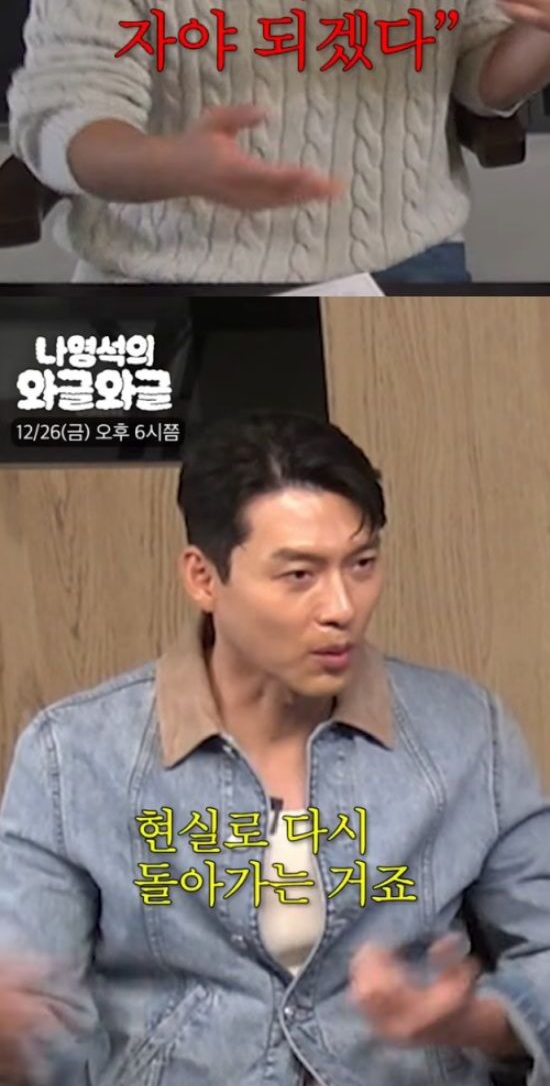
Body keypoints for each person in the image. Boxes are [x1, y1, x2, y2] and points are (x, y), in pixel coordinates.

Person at [0, 408, 549, 1086]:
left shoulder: (467, 732)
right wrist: (17, 1038)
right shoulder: (71, 756)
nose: (341, 606)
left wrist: (478, 1021)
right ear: (203, 578)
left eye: (362, 564)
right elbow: (40, 1018)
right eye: (299, 575)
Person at [7, 0, 550, 284]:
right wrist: (170, 166)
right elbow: (65, 116)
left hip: (404, 255)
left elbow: (484, 80)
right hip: (159, 272)